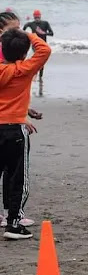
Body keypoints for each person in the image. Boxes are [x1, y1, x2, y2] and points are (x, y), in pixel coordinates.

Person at [0, 28, 51, 239]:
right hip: (15, 129)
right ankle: (13, 224)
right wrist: (25, 33)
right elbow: (44, 49)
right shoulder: (25, 69)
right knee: (18, 178)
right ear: (23, 54)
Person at [23, 10, 53, 89]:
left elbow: (51, 33)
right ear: (34, 17)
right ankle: (35, 75)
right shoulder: (31, 24)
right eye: (35, 17)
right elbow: (23, 30)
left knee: (42, 61)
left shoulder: (45, 23)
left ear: (40, 16)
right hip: (35, 45)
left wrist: (44, 33)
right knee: (37, 60)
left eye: (38, 17)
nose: (37, 19)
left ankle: (40, 77)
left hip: (43, 45)